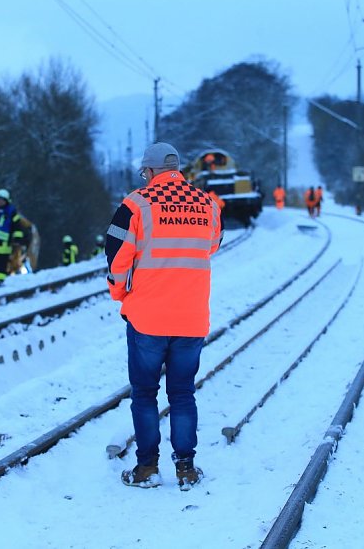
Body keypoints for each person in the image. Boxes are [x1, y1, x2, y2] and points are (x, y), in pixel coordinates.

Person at [105, 142, 222, 490]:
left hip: (147, 318)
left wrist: (120, 293)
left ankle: (147, 469)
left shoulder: (136, 204)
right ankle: (186, 468)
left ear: (151, 171)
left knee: (144, 393)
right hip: (191, 318)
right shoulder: (208, 204)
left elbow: (116, 257)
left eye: (145, 172)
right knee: (183, 393)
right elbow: (213, 244)